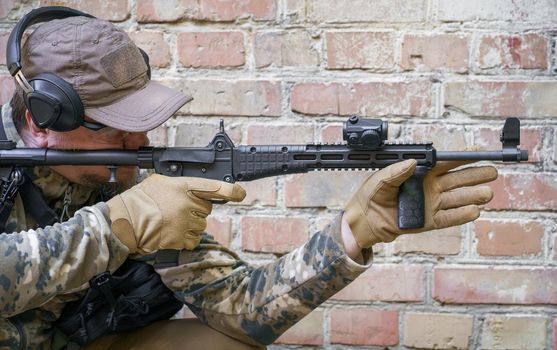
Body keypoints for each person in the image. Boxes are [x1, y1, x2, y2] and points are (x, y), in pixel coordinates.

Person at [0, 7, 498, 350]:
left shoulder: (129, 183)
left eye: (145, 122)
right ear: (46, 120)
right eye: (121, 127)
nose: (140, 142)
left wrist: (353, 232)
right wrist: (116, 229)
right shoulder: (124, 203)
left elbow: (241, 309)